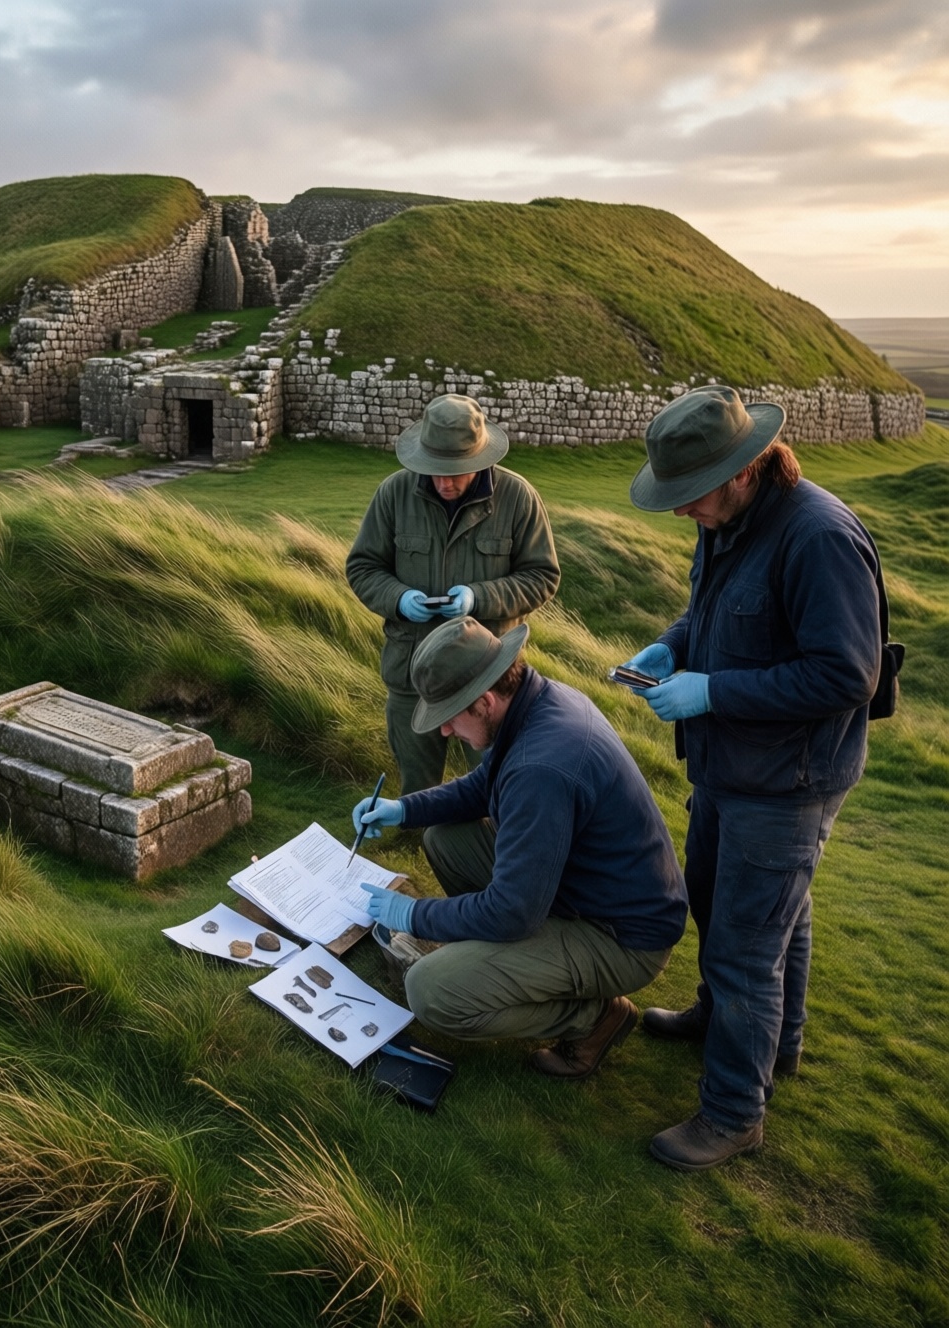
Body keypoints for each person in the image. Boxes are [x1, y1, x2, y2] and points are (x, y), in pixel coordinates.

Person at [623, 384, 883, 1171]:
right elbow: (715, 613)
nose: (679, 513)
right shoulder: (733, 518)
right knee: (763, 919)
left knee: (745, 944)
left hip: (789, 781)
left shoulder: (818, 538)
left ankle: (735, 1112)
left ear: (740, 471)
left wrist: (714, 691)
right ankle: (772, 1044)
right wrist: (673, 646)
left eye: (689, 495)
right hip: (732, 766)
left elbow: (848, 675)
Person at [353, 616, 687, 1080]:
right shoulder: (539, 701)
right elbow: (484, 785)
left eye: (449, 717)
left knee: (430, 990)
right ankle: (511, 965)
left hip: (621, 939)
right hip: (582, 892)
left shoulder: (541, 767)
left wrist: (412, 914)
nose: (445, 732)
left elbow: (511, 912)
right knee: (443, 836)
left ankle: (594, 1019)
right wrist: (404, 809)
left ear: (484, 700)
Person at [346, 393, 560, 794]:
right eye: (435, 470)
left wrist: (478, 598)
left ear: (480, 460)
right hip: (412, 677)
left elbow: (542, 576)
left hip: (488, 681)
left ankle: (486, 855)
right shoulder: (393, 494)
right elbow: (362, 567)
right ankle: (415, 847)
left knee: (493, 788)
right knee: (417, 789)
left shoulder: (518, 498)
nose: (444, 482)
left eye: (455, 471)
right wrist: (398, 599)